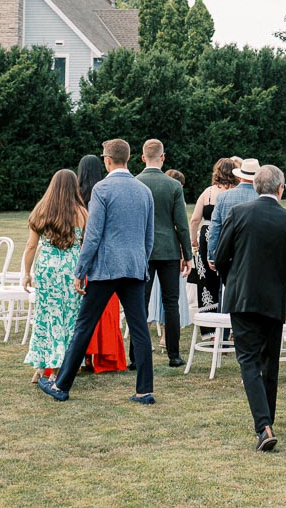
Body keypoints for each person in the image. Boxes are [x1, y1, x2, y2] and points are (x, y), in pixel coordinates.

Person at [38, 138, 156, 405]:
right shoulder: (143, 191)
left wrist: (81, 269)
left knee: (84, 326)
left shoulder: (102, 189)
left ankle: (61, 385)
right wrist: (141, 261)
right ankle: (144, 390)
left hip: (105, 269)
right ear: (127, 158)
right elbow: (148, 238)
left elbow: (93, 236)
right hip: (135, 268)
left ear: (107, 160)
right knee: (139, 329)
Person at [212, 165, 286, 452]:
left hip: (242, 299)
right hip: (273, 299)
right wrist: (279, 286)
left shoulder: (239, 214)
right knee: (269, 361)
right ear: (281, 188)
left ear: (255, 187)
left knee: (249, 362)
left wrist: (235, 281)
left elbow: (220, 256)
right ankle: (267, 421)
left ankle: (264, 425)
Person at [21, 169, 89, 381]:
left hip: (47, 269)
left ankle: (40, 367)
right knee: (69, 318)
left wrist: (26, 272)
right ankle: (59, 369)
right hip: (71, 269)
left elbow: (31, 246)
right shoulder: (81, 212)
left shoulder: (40, 210)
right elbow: (86, 245)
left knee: (46, 316)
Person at [133, 139, 193, 369]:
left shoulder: (136, 183)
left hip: (143, 251)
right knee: (171, 303)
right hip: (168, 250)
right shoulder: (173, 186)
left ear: (142, 158)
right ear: (163, 157)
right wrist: (187, 254)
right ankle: (174, 355)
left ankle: (136, 357)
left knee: (140, 302)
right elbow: (182, 224)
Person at [76, 154, 127, 374]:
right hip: (106, 261)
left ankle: (84, 355)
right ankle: (103, 355)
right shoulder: (106, 190)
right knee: (105, 309)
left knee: (83, 310)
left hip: (82, 256)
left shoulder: (75, 196)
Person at [190, 157, 238, 316]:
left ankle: (209, 326)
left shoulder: (208, 192)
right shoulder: (235, 194)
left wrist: (194, 241)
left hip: (207, 236)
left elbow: (195, 219)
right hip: (230, 237)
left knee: (206, 282)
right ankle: (230, 323)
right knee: (232, 280)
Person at [207, 158, 259, 268]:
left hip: (228, 253)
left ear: (240, 176)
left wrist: (212, 254)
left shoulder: (223, 196)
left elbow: (215, 227)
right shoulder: (261, 196)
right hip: (254, 253)